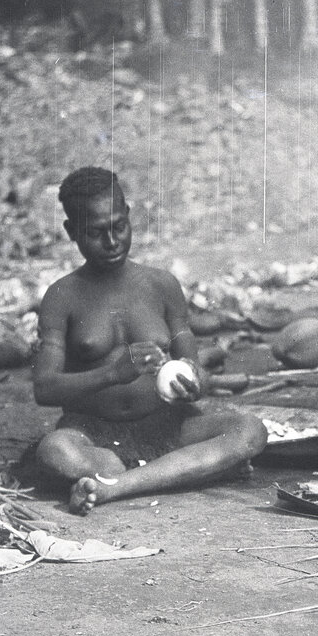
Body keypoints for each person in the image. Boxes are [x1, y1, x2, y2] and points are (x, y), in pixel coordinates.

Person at [33, 167, 268, 513]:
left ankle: (114, 488)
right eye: (96, 233)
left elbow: (194, 371)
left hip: (168, 425)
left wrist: (195, 379)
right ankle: (186, 471)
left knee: (250, 429)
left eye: (119, 226)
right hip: (94, 435)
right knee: (55, 451)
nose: (112, 242)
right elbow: (45, 389)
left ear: (129, 217)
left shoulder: (162, 286)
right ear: (71, 231)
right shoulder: (61, 297)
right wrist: (112, 373)